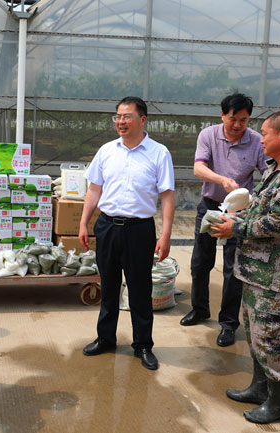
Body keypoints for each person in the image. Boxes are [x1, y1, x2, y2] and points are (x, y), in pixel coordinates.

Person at [212, 111, 280, 424]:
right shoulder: (278, 168)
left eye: (265, 133)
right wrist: (238, 218)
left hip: (276, 275)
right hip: (258, 271)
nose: (260, 140)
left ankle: (278, 403)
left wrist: (236, 228)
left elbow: (278, 223)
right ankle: (259, 388)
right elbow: (261, 208)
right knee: (256, 334)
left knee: (272, 338)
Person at [79, 96, 175, 371]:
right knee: (108, 286)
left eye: (127, 116)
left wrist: (165, 235)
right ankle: (105, 338)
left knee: (140, 290)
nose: (121, 122)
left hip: (139, 230)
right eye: (118, 117)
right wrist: (84, 223)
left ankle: (143, 345)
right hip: (107, 227)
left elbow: (167, 197)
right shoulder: (107, 151)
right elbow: (94, 189)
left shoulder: (159, 153)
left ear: (142, 120)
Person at [180, 93, 267, 347]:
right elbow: (198, 167)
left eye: (244, 120)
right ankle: (199, 309)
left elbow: (269, 173)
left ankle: (229, 323)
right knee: (200, 262)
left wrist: (253, 201)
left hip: (240, 211)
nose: (238, 125)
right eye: (233, 119)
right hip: (210, 206)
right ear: (222, 115)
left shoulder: (256, 141)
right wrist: (222, 180)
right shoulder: (208, 135)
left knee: (233, 268)